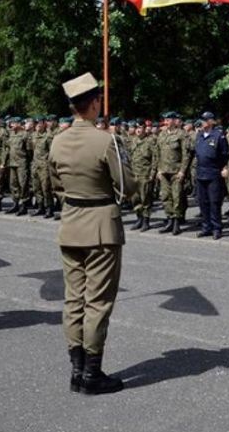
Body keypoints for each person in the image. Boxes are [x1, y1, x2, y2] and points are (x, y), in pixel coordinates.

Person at [48, 72, 135, 395]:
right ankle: (92, 374)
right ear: (95, 102)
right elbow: (128, 187)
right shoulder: (106, 140)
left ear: (73, 106)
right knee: (97, 302)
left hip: (71, 223)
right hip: (101, 227)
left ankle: (76, 368)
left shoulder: (57, 140)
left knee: (74, 299)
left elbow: (55, 185)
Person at [194, 112, 229, 239]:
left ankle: (217, 228)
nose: (202, 122)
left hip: (214, 173)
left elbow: (225, 154)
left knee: (214, 202)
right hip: (200, 173)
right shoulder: (199, 135)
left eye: (204, 120)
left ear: (210, 122)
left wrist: (224, 167)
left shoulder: (219, 136)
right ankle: (206, 227)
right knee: (203, 202)